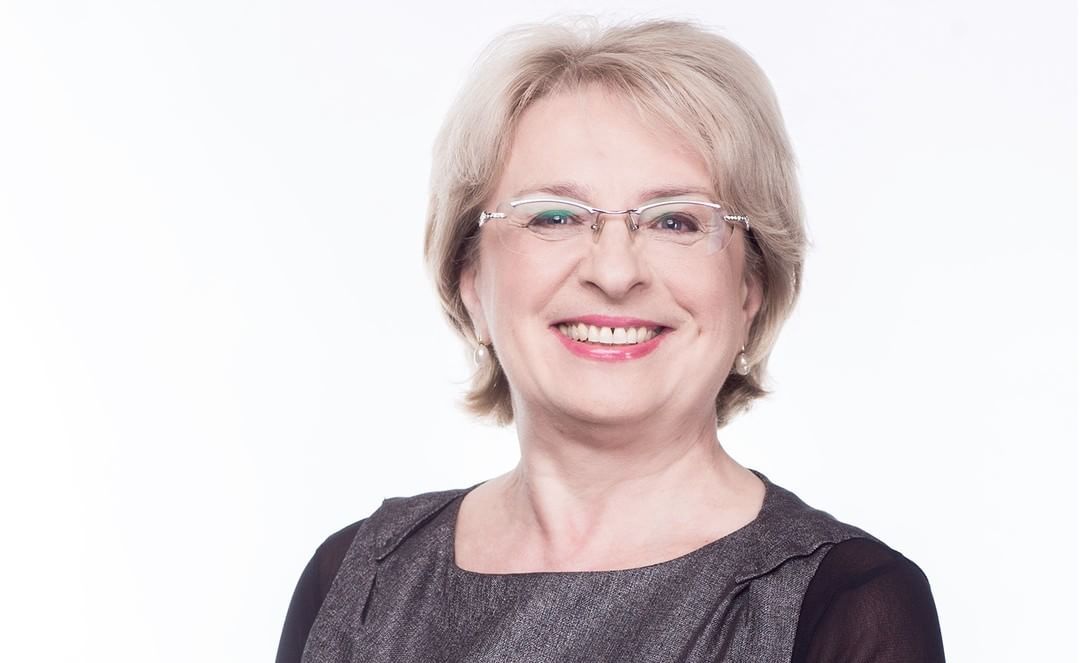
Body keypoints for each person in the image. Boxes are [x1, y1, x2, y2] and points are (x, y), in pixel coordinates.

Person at [276, 18, 946, 663]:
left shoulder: (847, 605)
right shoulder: (357, 585)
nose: (616, 271)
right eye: (555, 216)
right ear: (471, 283)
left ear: (750, 289)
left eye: (676, 221)